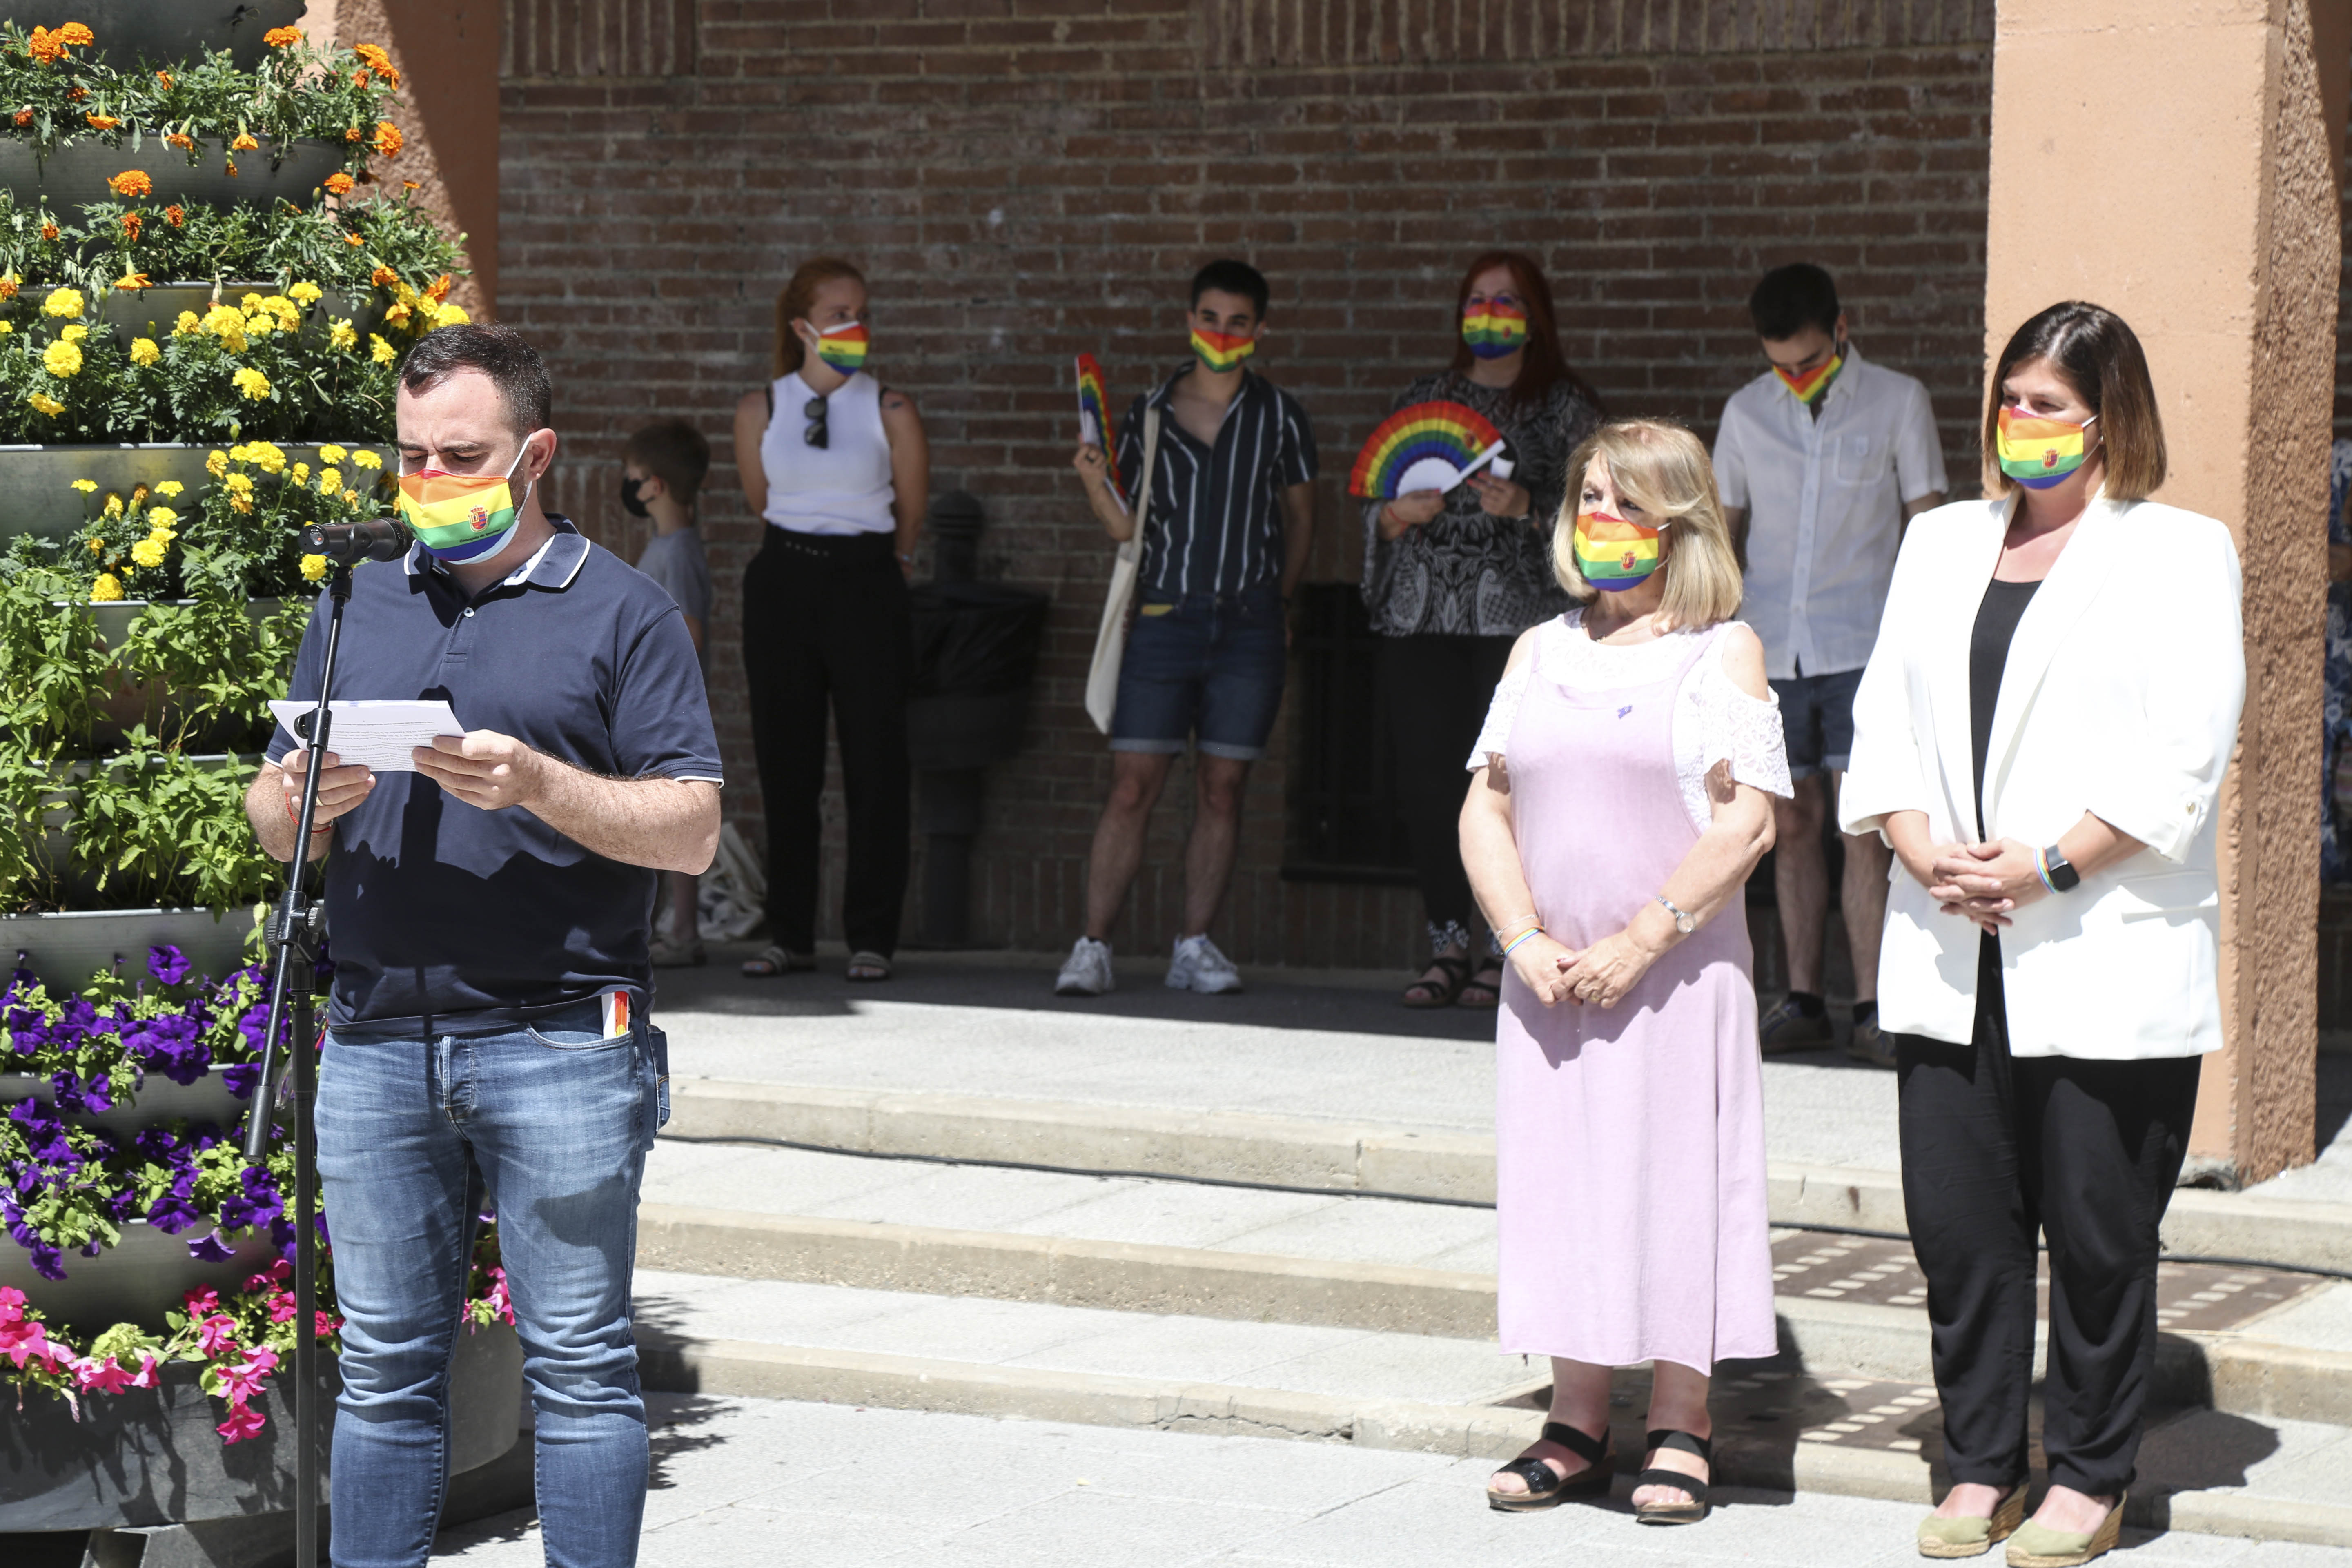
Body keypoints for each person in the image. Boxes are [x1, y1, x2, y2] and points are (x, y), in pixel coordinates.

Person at [249, 324, 723, 1568]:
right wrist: (295, 803)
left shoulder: (626, 611)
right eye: (411, 455)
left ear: (536, 456)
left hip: (559, 1040)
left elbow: (693, 831)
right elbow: (268, 812)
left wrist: (541, 786)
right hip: (375, 1040)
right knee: (383, 1371)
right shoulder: (356, 599)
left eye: (462, 456)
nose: (430, 480)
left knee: (581, 1371)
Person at [1840, 302, 2244, 1566]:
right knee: (1962, 1228)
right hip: (1950, 935)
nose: (2020, 422)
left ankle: (2089, 1475)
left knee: (2100, 1233)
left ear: (2109, 418)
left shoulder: (2179, 552)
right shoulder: (1941, 542)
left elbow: (2186, 753)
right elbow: (1885, 719)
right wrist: (1917, 846)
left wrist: (2051, 861)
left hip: (2099, 939)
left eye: (2049, 404)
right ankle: (1979, 1465)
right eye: (2010, 399)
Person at [1462, 419, 1788, 1523]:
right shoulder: (1537, 650)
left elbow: (1747, 825)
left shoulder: (1723, 652)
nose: (1599, 518)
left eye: (1626, 502)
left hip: (1674, 976)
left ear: (1679, 524)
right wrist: (1522, 940)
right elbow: (1485, 807)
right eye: (1589, 496)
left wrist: (1643, 940)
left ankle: (1682, 1423)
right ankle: (1577, 1420)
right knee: (1563, 1188)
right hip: (1550, 981)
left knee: (1677, 1188)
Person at [1056, 258, 1316, 998]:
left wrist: (1281, 603)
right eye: (1210, 318)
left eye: (1238, 322)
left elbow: (1303, 518)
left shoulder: (1281, 416)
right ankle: (1092, 947)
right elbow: (1124, 528)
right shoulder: (1148, 413)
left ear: (1259, 330)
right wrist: (1093, 482)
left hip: (1250, 624)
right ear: (1189, 321)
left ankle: (1194, 947)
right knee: (1132, 786)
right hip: (1164, 617)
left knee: (1222, 787)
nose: (1221, 334)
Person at [1712, 263, 1947, 1065]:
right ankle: (1804, 999)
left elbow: (1927, 524)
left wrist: (1924, 643)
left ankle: (1873, 1008)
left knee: (1865, 828)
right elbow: (1722, 533)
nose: (1795, 376)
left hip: (1865, 647)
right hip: (1771, 648)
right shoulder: (1746, 411)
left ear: (1842, 330)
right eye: (1780, 363)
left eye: (1809, 360)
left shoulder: (1899, 401)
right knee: (1790, 825)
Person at [1362, 251, 1604, 1009]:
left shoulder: (1564, 409)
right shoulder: (1425, 398)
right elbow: (1374, 511)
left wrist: (1528, 507)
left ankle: (1509, 945)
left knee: (1512, 785)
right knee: (1429, 784)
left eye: (1507, 302)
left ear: (1535, 320)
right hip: (1420, 620)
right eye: (1477, 300)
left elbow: (1602, 517)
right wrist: (1396, 514)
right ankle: (1447, 943)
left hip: (1517, 629)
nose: (1489, 314)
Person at [732, 257, 928, 984]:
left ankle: (872, 936)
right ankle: (791, 935)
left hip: (867, 581)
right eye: (839, 314)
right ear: (802, 326)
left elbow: (911, 507)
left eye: (861, 312)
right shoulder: (761, 407)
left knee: (877, 762)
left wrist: (887, 566)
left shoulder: (891, 408)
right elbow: (763, 501)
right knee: (787, 762)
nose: (855, 326)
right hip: (784, 581)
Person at [624, 416, 715, 968]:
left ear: (654, 485)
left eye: (633, 477)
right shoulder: (670, 546)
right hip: (661, 703)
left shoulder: (676, 551)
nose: (629, 487)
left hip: (669, 707)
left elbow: (689, 631)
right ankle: (673, 927)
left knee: (676, 816)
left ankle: (683, 931)